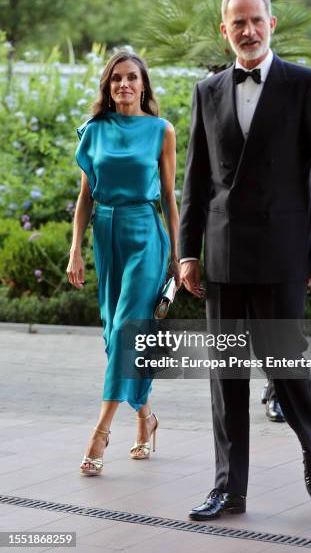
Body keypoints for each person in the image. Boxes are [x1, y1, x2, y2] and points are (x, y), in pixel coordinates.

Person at [179, 0, 311, 520]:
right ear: (223, 31)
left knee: (284, 362)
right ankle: (229, 489)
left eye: (256, 21)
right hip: (225, 254)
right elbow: (195, 180)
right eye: (238, 24)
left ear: (271, 24)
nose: (248, 31)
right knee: (226, 374)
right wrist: (187, 252)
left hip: (282, 252)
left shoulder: (305, 84)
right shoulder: (206, 91)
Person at [67, 51, 180, 474]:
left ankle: (100, 432)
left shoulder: (161, 131)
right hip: (105, 235)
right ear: (107, 86)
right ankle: (145, 418)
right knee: (118, 336)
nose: (124, 85)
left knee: (127, 326)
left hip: (145, 234)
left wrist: (177, 255)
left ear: (144, 85)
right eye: (116, 78)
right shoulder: (93, 130)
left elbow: (170, 196)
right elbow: (85, 196)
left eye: (132, 77)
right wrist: (75, 249)